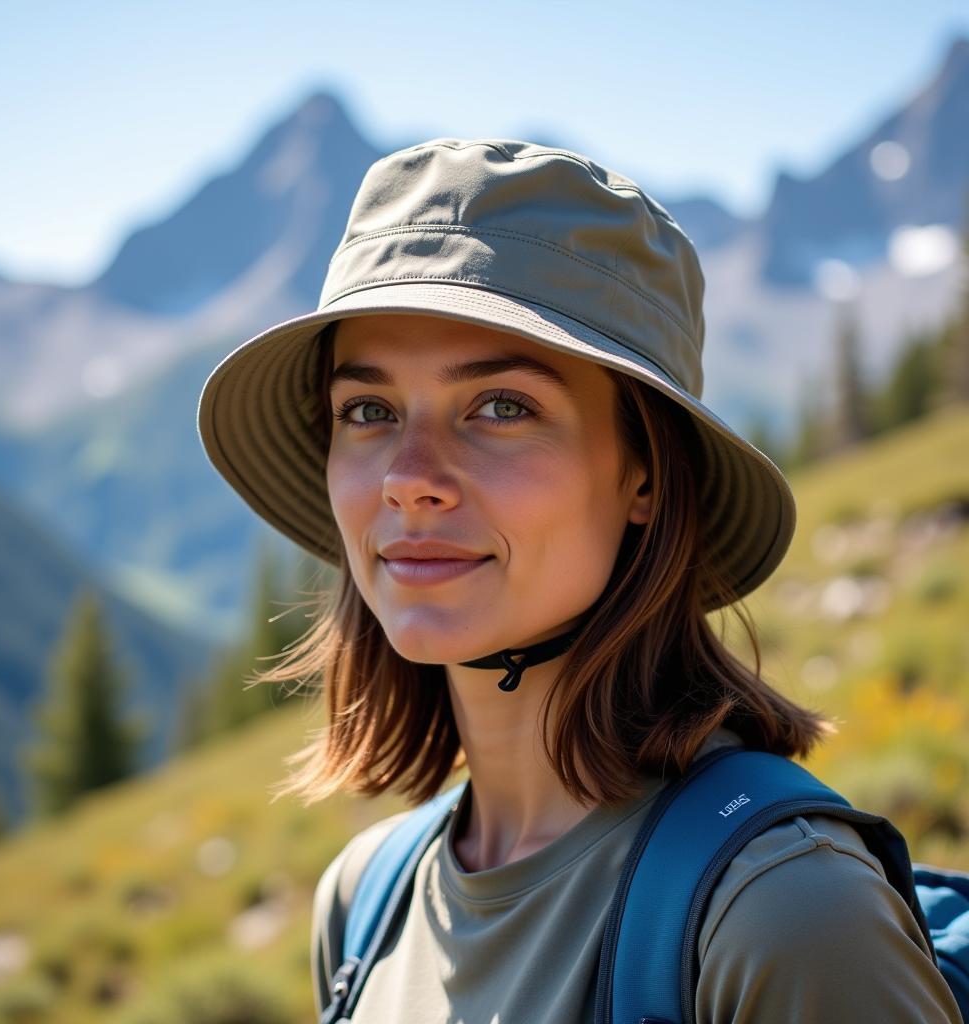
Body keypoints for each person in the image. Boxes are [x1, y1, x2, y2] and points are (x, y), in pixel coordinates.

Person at [197, 139, 962, 1023]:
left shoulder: (784, 914)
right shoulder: (364, 903)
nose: (409, 475)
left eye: (502, 407)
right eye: (367, 410)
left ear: (644, 475)